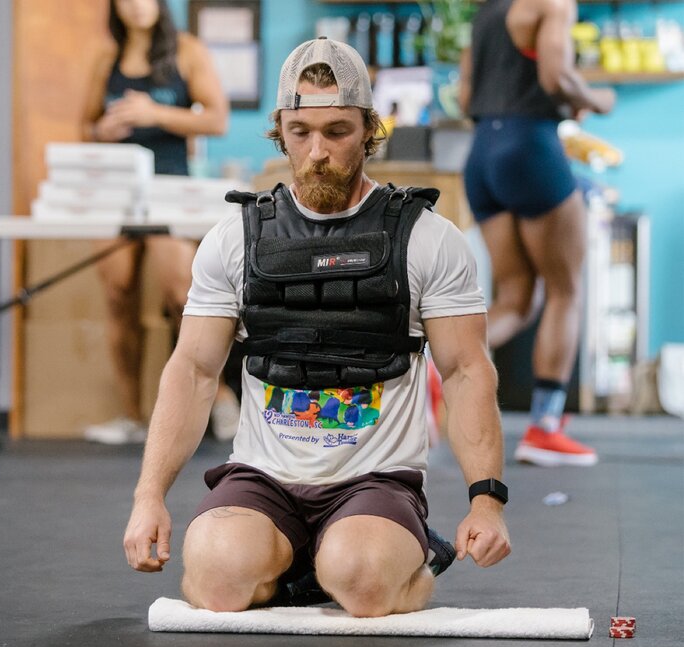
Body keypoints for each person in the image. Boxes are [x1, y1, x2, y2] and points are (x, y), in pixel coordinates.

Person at [123, 37, 510, 617]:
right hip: (265, 476)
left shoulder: (429, 238)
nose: (317, 151)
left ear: (370, 130)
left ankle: (379, 559)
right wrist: (148, 496)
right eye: (301, 131)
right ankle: (300, 562)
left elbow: (464, 370)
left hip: (374, 478)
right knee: (216, 580)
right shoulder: (235, 239)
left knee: (363, 583)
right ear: (279, 128)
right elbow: (195, 370)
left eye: (337, 130)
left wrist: (487, 502)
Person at [458, 0, 616, 467]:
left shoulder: (485, 14)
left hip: (482, 151)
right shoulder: (552, 3)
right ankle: (545, 428)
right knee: (566, 291)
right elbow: (555, 77)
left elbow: (466, 97)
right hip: (529, 146)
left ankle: (433, 366)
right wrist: (594, 99)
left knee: (516, 298)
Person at [80, 0, 239, 444]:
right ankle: (132, 415)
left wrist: (156, 115)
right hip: (115, 194)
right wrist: (101, 131)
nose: (136, 5)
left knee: (182, 291)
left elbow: (217, 118)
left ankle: (222, 396)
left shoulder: (186, 50)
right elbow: (84, 127)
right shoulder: (105, 56)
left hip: (170, 191)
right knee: (117, 292)